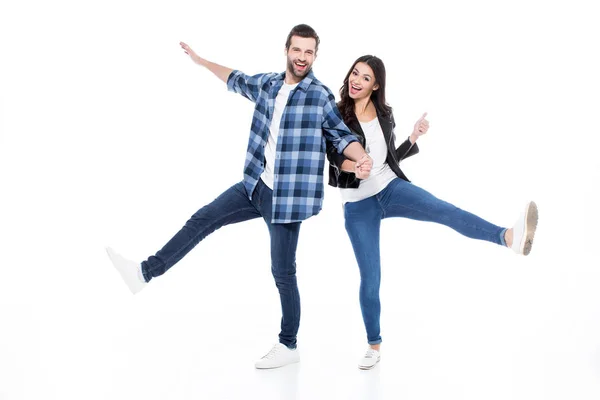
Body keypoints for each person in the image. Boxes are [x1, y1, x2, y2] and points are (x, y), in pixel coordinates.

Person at [106, 24, 372, 370]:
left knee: (282, 272)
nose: (302, 57)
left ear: (315, 56)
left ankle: (289, 345)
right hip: (254, 187)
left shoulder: (319, 96)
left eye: (309, 52)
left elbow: (340, 138)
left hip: (286, 201)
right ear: (287, 50)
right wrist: (202, 61)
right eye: (297, 50)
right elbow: (235, 78)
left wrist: (360, 157)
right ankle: (144, 272)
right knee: (202, 220)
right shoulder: (269, 85)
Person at [327, 55, 538, 370]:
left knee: (444, 210)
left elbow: (390, 159)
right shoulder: (336, 115)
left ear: (377, 85)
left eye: (366, 77)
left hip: (390, 188)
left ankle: (507, 237)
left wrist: (413, 138)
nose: (356, 80)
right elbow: (333, 162)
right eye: (355, 73)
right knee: (371, 277)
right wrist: (355, 167)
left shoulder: (384, 114)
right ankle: (374, 345)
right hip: (358, 204)